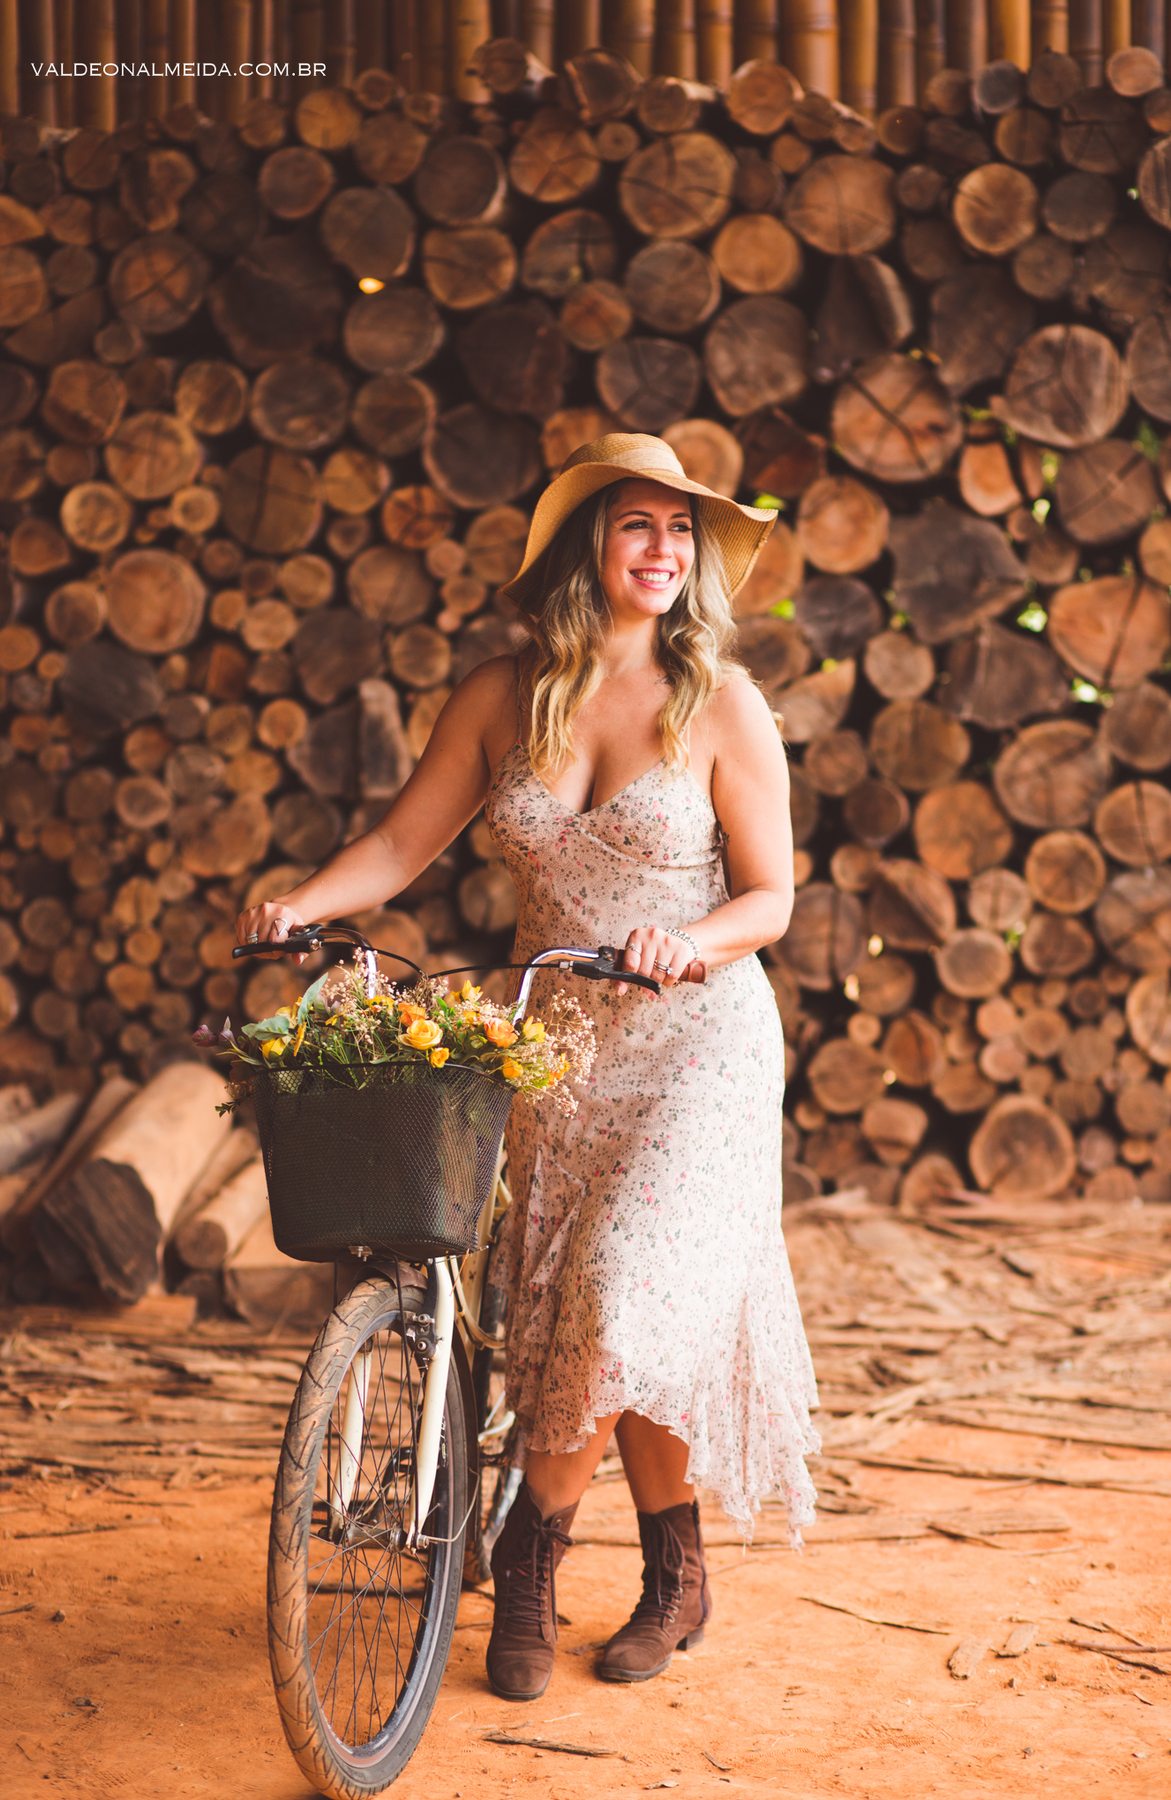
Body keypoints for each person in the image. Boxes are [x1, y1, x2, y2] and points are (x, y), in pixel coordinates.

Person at [235, 433, 819, 1703]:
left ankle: (529, 1549)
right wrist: (298, 904)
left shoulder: (723, 702)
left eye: (683, 533)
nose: (665, 553)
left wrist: (688, 939)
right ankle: (678, 1578)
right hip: (550, 1038)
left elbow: (770, 897)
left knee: (622, 1287)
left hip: (698, 1036)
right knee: (599, 1319)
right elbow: (401, 841)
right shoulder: (507, 692)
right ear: (585, 548)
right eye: (637, 527)